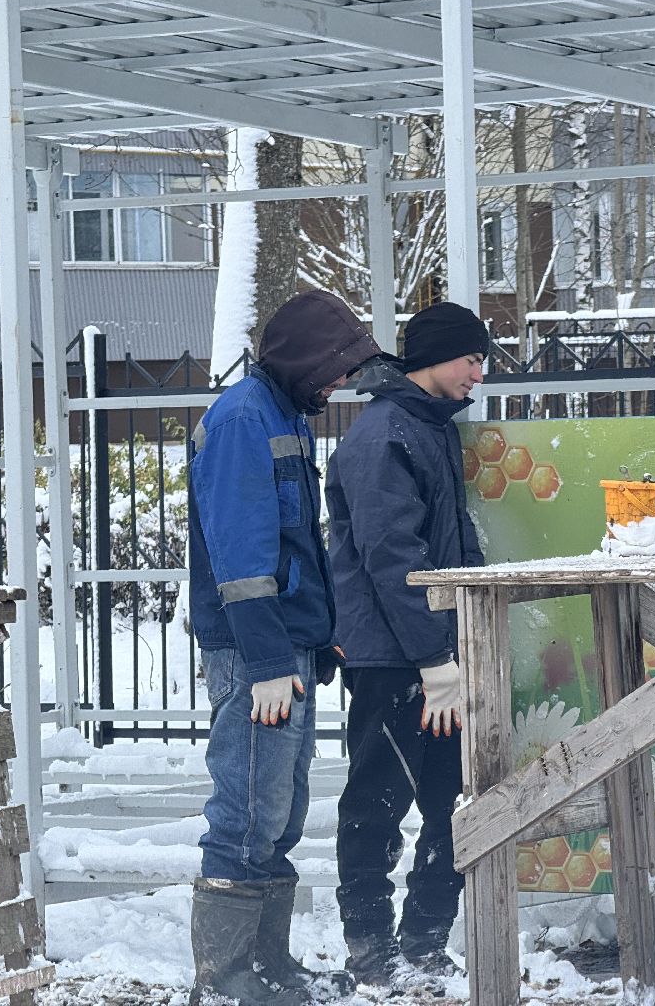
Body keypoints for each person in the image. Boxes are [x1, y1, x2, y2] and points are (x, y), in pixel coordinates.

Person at [188, 290, 382, 1005]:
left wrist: (318, 638)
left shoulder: (282, 415)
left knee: (278, 812)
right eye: (335, 368)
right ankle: (227, 982)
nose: (340, 383)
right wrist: (271, 661)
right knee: (246, 812)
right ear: (304, 360)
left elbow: (296, 544)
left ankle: (267, 968)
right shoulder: (244, 419)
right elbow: (242, 557)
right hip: (256, 656)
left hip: (283, 651)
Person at [325, 302, 490, 992]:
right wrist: (432, 658)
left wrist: (458, 644)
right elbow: (394, 560)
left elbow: (451, 545)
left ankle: (423, 942)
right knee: (378, 800)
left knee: (454, 800)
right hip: (392, 657)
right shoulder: (383, 436)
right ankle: (370, 949)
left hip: (434, 653)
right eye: (472, 359)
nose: (479, 374)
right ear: (438, 357)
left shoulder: (428, 426)